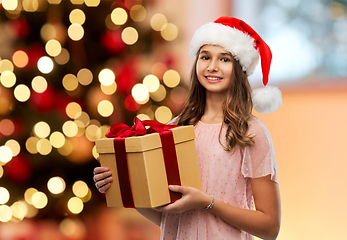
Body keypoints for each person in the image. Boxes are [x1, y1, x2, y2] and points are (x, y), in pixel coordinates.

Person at [93, 16, 282, 240]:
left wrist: (208, 203)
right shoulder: (175, 128)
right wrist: (122, 185)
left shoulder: (250, 132)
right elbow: (169, 217)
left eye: (224, 59)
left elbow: (270, 228)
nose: (212, 66)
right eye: (205, 57)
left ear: (239, 68)